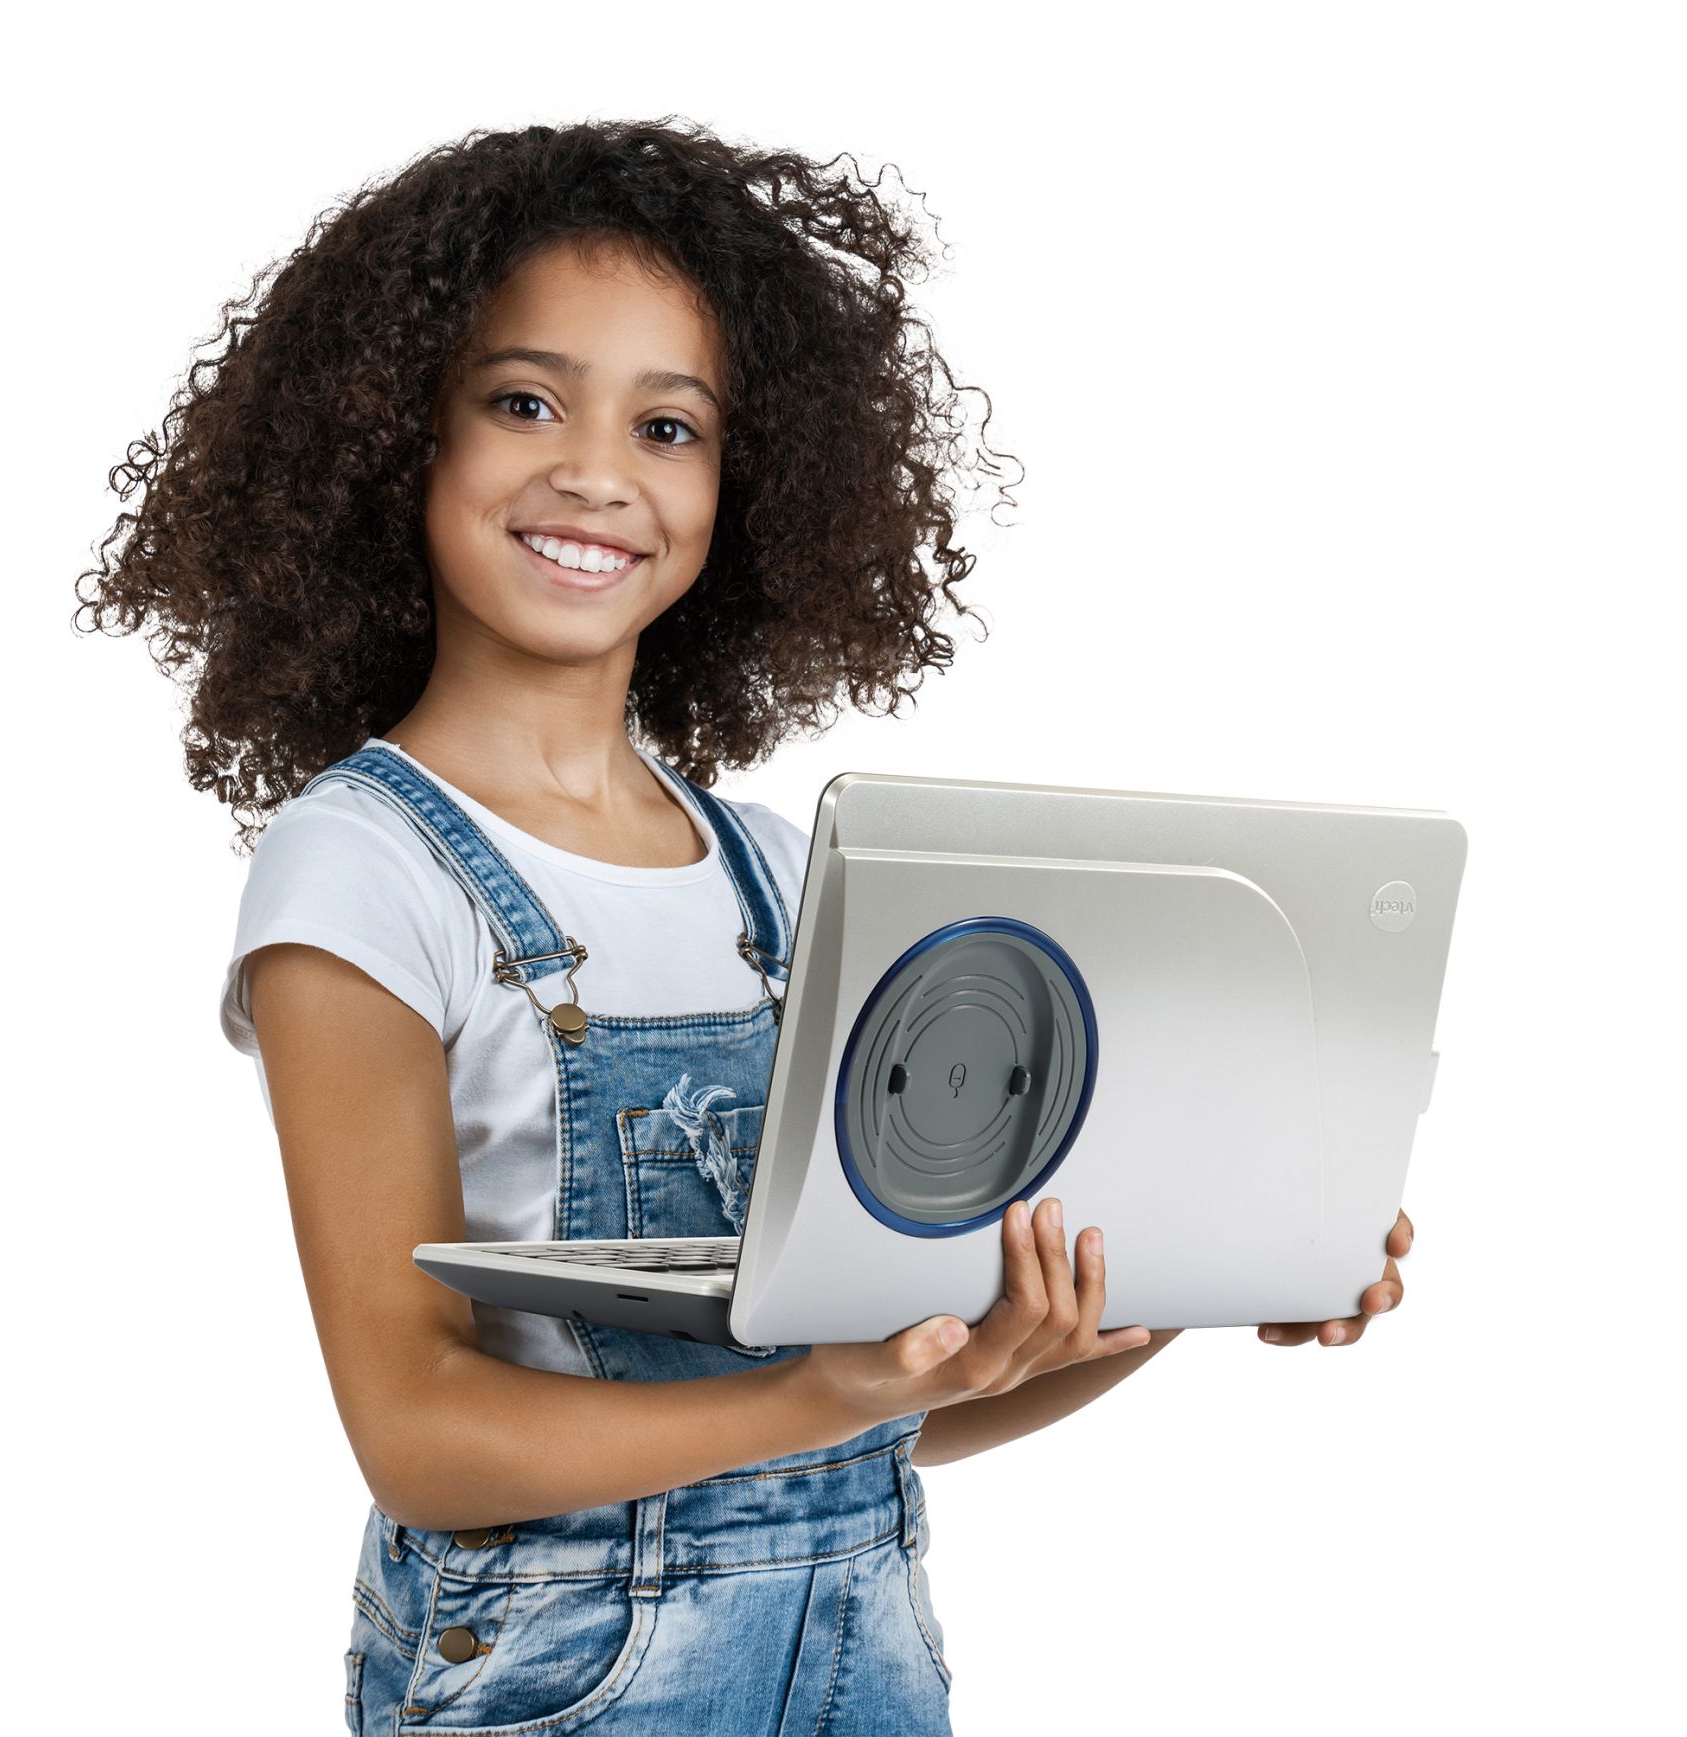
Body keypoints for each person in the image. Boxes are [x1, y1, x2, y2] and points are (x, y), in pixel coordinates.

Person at [74, 116, 1413, 1736]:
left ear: (743, 485)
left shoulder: (779, 879)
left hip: (866, 1665)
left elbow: (884, 1415)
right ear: (396, 433)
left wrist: (1204, 1278)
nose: (597, 472)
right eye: (524, 401)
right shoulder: (361, 870)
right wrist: (820, 1390)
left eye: (669, 425)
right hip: (560, 1680)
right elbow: (416, 1432)